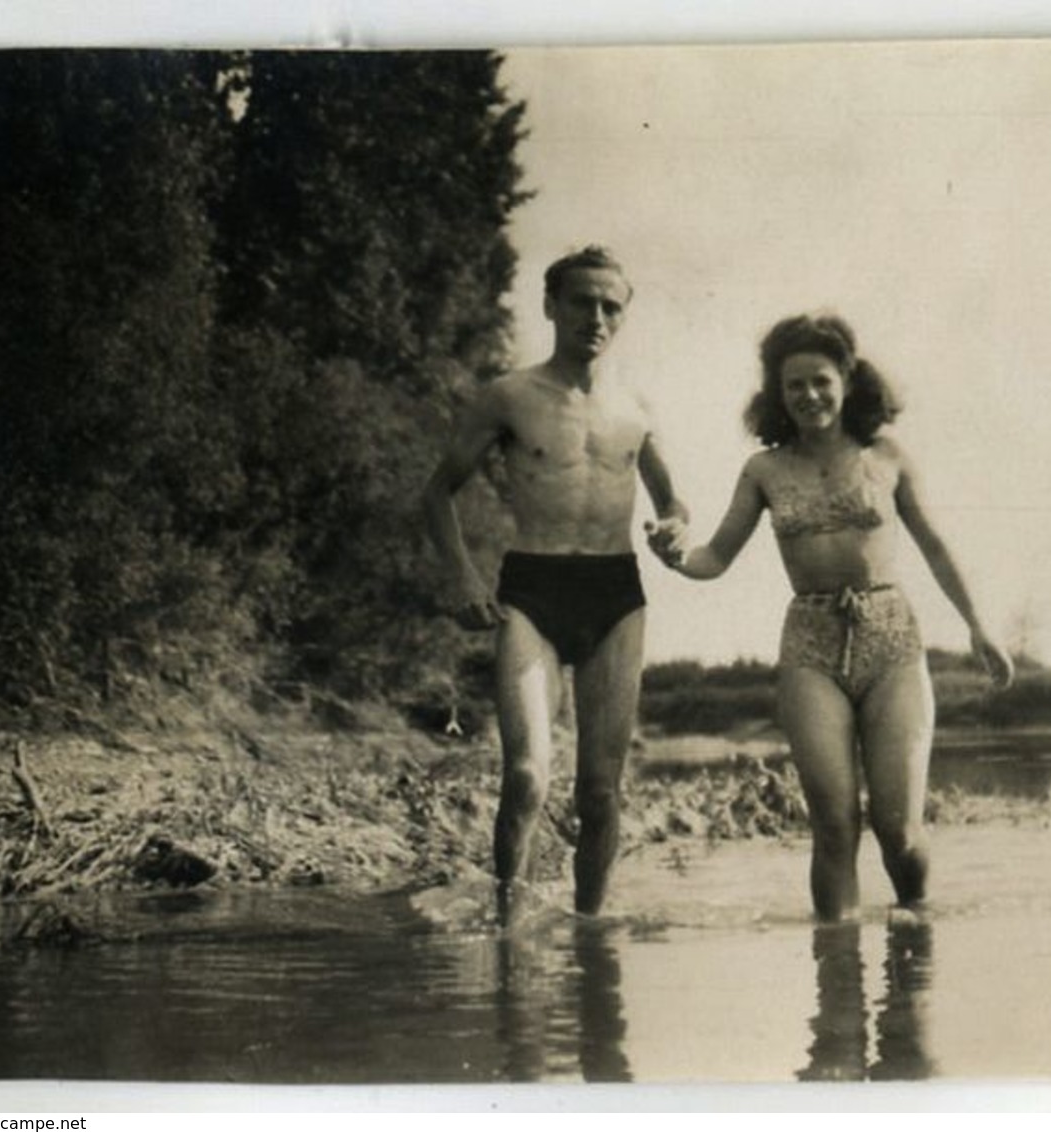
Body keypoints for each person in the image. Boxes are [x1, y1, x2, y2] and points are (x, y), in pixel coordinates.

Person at [648, 312, 1012, 922]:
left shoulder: (886, 455)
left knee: (897, 829)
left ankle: (914, 937)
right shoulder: (763, 470)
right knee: (834, 824)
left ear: (846, 379)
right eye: (794, 386)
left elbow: (937, 547)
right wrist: (674, 555)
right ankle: (837, 981)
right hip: (810, 642)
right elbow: (714, 557)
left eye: (820, 380)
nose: (809, 396)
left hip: (892, 636)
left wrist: (979, 626)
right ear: (776, 394)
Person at [422, 245, 688, 920]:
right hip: (531, 591)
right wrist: (462, 578)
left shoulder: (637, 405)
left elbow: (673, 503)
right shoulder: (508, 396)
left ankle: (590, 936)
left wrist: (673, 531)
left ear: (622, 316)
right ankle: (507, 925)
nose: (594, 317)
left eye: (610, 306)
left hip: (614, 594)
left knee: (600, 791)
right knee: (526, 776)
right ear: (550, 306)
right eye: (581, 302)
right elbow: (437, 493)